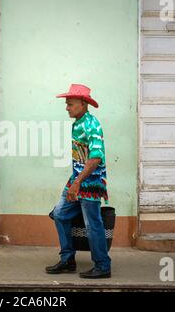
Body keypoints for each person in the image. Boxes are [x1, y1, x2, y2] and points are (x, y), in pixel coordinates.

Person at [46, 83, 111, 279]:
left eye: (70, 104)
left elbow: (96, 157)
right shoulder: (78, 123)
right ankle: (68, 259)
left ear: (83, 104)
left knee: (93, 224)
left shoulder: (92, 125)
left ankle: (103, 265)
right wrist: (73, 182)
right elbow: (81, 158)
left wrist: (77, 183)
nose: (67, 107)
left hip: (90, 183)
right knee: (59, 214)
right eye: (67, 104)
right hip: (76, 181)